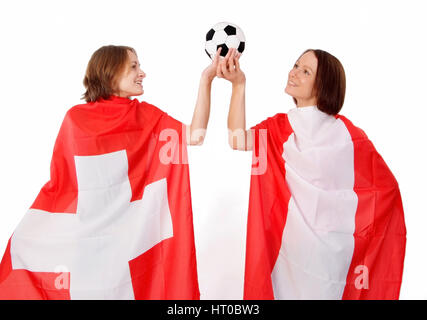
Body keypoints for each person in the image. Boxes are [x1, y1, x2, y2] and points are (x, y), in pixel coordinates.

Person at [0, 45, 221, 300]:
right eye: (134, 66)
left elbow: (195, 135)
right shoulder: (75, 120)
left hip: (128, 246)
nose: (143, 73)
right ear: (111, 71)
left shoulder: (145, 116)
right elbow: (63, 186)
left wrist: (207, 79)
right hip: (87, 248)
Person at [217, 48, 407, 299]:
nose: (293, 73)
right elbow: (237, 139)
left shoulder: (348, 135)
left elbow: (383, 187)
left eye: (305, 71)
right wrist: (239, 85)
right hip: (290, 251)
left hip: (329, 257)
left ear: (323, 85)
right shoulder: (280, 127)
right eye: (296, 65)